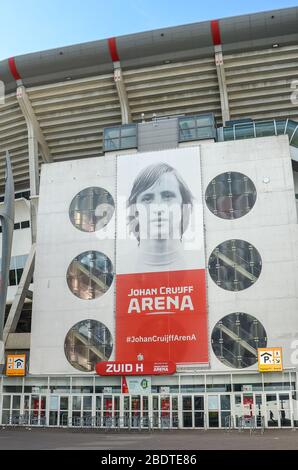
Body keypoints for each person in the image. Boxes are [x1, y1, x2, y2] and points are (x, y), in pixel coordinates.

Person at [126, 162, 194, 268]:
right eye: (147, 199)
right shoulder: (123, 266)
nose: (158, 207)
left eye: (167, 196)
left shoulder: (197, 263)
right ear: (136, 211)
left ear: (183, 207)